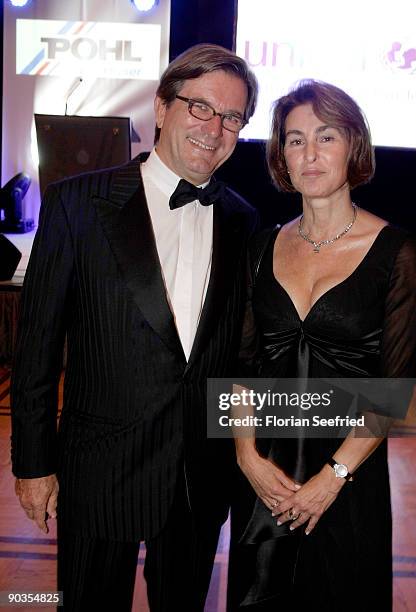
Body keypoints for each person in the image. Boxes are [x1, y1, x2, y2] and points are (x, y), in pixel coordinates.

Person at [11, 43, 258, 611]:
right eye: (200, 107)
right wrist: (34, 463)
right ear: (162, 108)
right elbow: (37, 347)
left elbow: (237, 353)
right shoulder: (78, 203)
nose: (214, 128)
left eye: (231, 118)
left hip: (198, 476)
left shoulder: (242, 219)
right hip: (100, 467)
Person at [228, 80, 416, 610]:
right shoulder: (259, 246)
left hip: (348, 478)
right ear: (281, 156)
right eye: (294, 140)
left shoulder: (397, 253)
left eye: (326, 136)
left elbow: (393, 390)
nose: (310, 154)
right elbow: (241, 367)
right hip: (264, 474)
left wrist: (332, 477)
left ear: (353, 146)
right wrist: (245, 454)